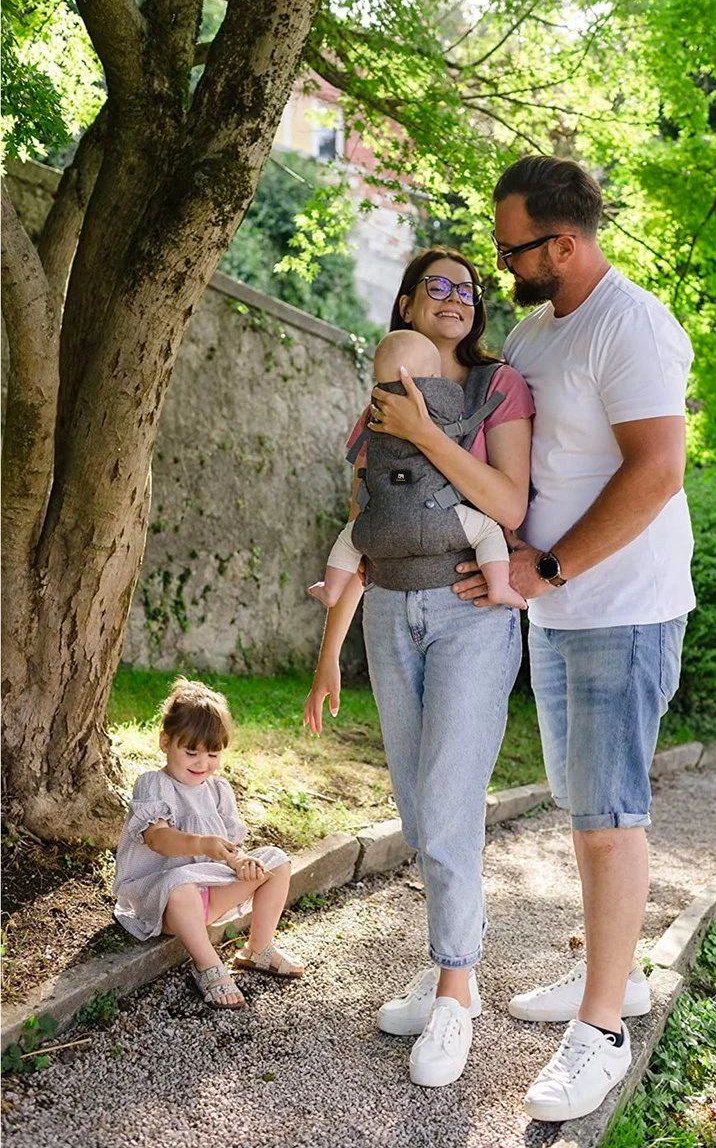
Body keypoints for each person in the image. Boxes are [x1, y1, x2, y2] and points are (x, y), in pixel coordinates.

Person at [453, 156, 695, 1122]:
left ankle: (601, 1031)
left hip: (621, 609)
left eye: (513, 248)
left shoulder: (632, 325)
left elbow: (658, 471)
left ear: (562, 243)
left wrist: (547, 569)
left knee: (608, 816)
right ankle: (613, 974)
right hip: (557, 610)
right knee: (583, 803)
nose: (502, 263)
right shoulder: (535, 330)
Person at [304, 248, 534, 1087]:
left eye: (467, 288)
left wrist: (427, 431)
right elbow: (367, 533)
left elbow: (509, 505)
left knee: (446, 803)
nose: (455, 297)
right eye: (436, 285)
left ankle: (457, 993)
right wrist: (329, 656)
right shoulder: (376, 405)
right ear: (405, 304)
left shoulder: (498, 389)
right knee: (416, 803)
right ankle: (446, 968)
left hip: (471, 611)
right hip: (391, 614)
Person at [114, 677, 304, 1010]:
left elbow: (229, 846)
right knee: (180, 884)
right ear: (165, 742)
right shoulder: (154, 785)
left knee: (276, 860)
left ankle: (258, 948)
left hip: (210, 895)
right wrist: (202, 844)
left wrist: (240, 861)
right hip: (165, 900)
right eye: (191, 752)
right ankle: (208, 965)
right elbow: (158, 839)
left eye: (213, 754)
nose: (202, 764)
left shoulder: (218, 791)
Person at [308, 327, 525, 611]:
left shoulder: (375, 413)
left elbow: (357, 507)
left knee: (348, 539)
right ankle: (499, 586)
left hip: (379, 523)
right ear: (434, 376)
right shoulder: (446, 399)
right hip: (437, 517)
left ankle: (330, 589)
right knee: (487, 531)